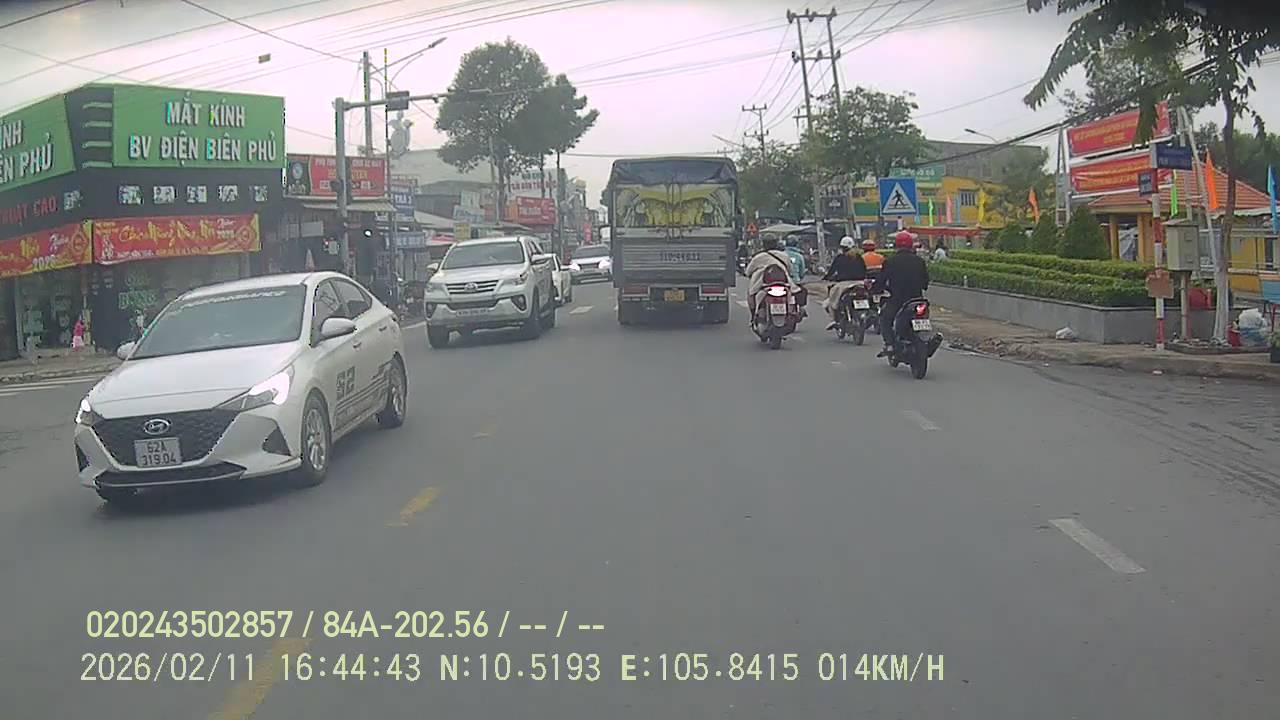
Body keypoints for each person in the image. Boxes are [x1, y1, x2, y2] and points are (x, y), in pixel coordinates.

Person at [873, 230, 930, 355]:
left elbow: (881, 281)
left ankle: (889, 344)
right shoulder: (919, 261)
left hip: (897, 301)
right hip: (917, 300)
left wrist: (876, 289)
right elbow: (925, 283)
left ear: (896, 245)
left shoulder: (890, 261)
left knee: (884, 318)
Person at [744, 236, 801, 317]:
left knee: (751, 295)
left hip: (762, 284)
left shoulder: (758, 257)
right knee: (793, 294)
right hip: (784, 283)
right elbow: (790, 270)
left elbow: (748, 272)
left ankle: (754, 315)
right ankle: (792, 312)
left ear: (763, 244)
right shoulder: (784, 256)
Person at [821, 236, 868, 330]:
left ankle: (833, 319)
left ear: (842, 248)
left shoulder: (840, 258)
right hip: (860, 283)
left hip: (843, 284)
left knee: (832, 300)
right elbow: (864, 270)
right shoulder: (859, 257)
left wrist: (826, 278)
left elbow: (832, 271)